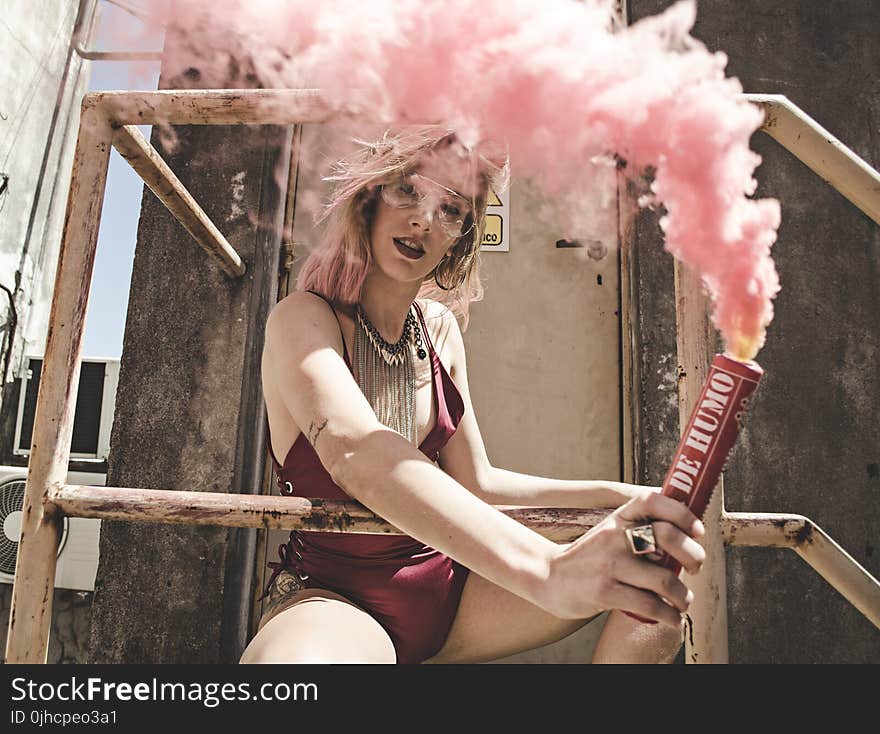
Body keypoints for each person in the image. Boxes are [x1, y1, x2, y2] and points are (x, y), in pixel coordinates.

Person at [239, 126, 705, 665]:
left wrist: (618, 495)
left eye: (452, 210)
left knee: (655, 563)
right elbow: (354, 452)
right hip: (336, 600)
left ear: (462, 235)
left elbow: (478, 483)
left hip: (455, 596)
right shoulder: (303, 319)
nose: (424, 220)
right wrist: (548, 571)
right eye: (408, 190)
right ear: (371, 196)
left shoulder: (436, 328)